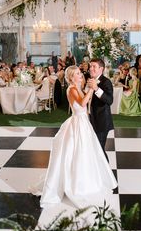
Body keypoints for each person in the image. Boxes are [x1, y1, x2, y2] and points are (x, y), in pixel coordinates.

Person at [35, 65, 117, 209]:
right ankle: (74, 185)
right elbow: (83, 103)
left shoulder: (78, 88)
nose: (81, 75)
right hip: (77, 123)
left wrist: (90, 89)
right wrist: (92, 88)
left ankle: (86, 182)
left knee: (87, 153)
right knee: (76, 153)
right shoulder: (71, 89)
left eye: (80, 73)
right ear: (72, 77)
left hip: (84, 123)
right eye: (78, 74)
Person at [87, 58, 114, 160]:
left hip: (101, 121)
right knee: (93, 149)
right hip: (90, 120)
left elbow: (110, 100)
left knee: (99, 149)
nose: (91, 68)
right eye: (90, 66)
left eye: (94, 66)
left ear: (101, 69)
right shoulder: (89, 80)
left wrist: (96, 89)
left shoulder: (106, 82)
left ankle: (106, 173)